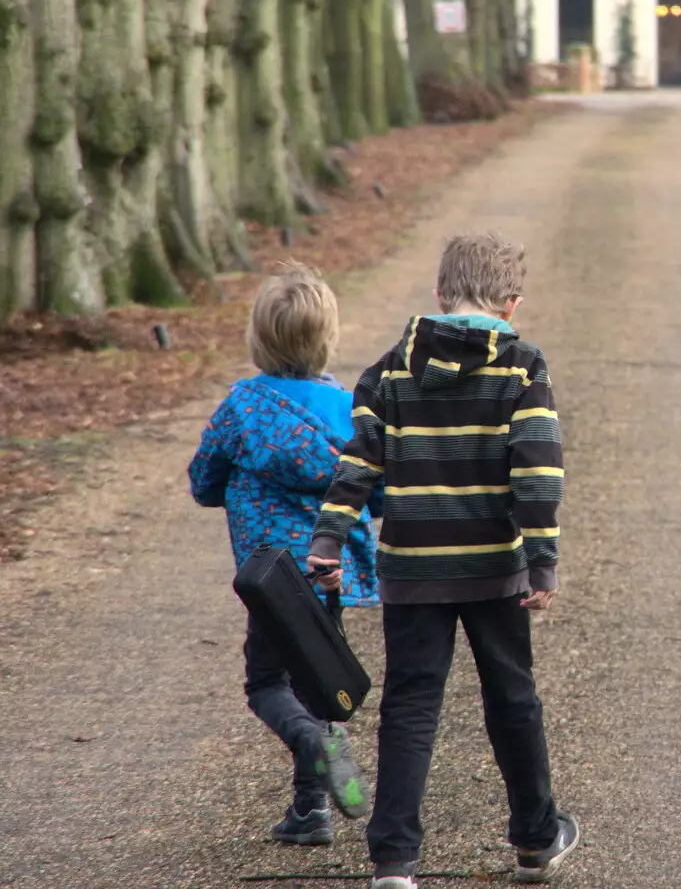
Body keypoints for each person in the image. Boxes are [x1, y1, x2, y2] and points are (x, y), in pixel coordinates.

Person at [307, 231, 579, 889]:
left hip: (413, 568)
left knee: (410, 702)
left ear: (439, 293)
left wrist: (328, 540)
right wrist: (541, 561)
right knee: (511, 696)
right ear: (511, 305)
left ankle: (394, 858)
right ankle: (536, 840)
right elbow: (537, 470)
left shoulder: (390, 368)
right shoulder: (522, 365)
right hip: (494, 567)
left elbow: (357, 462)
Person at [188, 262, 376, 846]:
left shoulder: (243, 408)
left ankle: (312, 748)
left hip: (272, 578)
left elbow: (202, 481)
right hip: (328, 573)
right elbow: (381, 488)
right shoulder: (347, 411)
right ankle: (310, 809)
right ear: (328, 339)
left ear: (259, 338)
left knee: (267, 684)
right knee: (316, 682)